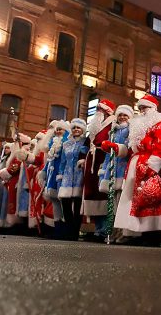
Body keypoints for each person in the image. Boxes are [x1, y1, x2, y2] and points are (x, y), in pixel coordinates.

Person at [113, 94, 161, 243]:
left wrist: (152, 166)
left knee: (148, 197)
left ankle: (149, 234)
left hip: (148, 164)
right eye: (140, 108)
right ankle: (133, 232)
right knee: (132, 200)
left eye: (145, 107)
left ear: (153, 108)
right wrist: (117, 148)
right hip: (134, 164)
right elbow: (131, 149)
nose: (142, 111)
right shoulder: (137, 125)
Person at [82, 99, 116, 240]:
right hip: (92, 160)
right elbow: (87, 143)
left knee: (102, 193)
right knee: (92, 193)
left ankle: (103, 230)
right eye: (98, 109)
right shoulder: (94, 125)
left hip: (104, 158)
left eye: (101, 109)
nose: (98, 112)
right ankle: (95, 228)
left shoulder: (113, 123)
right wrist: (83, 157)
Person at [99, 104, 134, 241]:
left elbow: (129, 149)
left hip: (123, 170)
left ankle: (123, 233)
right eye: (120, 115)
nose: (122, 117)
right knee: (112, 205)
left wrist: (117, 147)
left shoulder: (131, 130)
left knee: (121, 204)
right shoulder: (112, 132)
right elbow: (109, 155)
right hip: (112, 172)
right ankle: (112, 232)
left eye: (125, 115)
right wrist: (104, 171)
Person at [57, 118, 88, 240]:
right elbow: (63, 162)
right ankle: (68, 229)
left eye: (78, 128)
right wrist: (60, 176)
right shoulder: (66, 144)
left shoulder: (85, 142)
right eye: (74, 127)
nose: (76, 130)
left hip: (79, 176)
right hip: (67, 176)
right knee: (65, 203)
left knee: (77, 204)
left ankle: (75, 231)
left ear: (82, 130)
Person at [43, 120, 71, 234]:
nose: (58, 131)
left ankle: (64, 228)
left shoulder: (66, 143)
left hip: (61, 176)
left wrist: (62, 174)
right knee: (55, 203)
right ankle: (57, 227)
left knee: (63, 204)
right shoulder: (52, 144)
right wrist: (44, 172)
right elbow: (49, 162)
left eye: (61, 129)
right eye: (57, 129)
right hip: (52, 177)